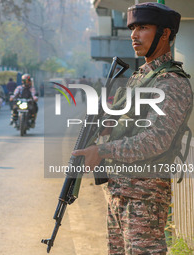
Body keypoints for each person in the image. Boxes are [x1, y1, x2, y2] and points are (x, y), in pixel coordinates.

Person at [72, 3, 192, 254]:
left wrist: (103, 151)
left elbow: (156, 140)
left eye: (143, 28)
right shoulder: (140, 77)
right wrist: (104, 125)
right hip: (119, 192)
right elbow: (125, 123)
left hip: (145, 197)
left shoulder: (171, 82)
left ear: (165, 33)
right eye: (133, 28)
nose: (134, 35)